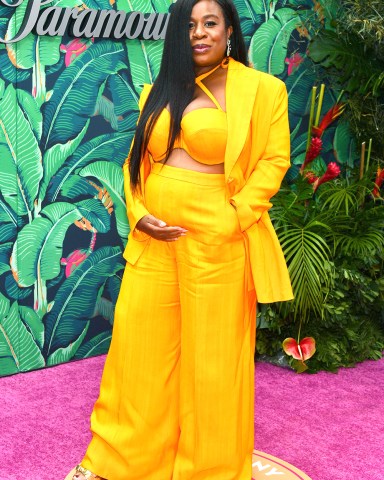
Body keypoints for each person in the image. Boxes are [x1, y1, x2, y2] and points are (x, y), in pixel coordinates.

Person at [68, 0, 293, 478]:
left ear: (229, 28)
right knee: (140, 352)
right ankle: (127, 459)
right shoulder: (160, 89)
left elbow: (274, 163)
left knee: (213, 362)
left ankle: (207, 469)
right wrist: (139, 213)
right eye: (188, 26)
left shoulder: (262, 90)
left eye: (210, 23)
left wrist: (234, 218)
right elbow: (137, 166)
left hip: (219, 239)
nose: (200, 33)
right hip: (155, 238)